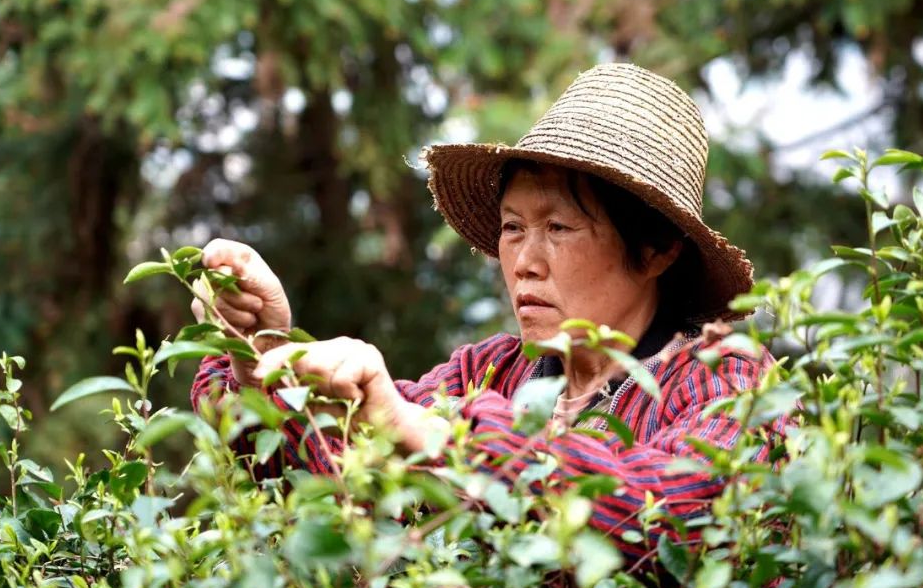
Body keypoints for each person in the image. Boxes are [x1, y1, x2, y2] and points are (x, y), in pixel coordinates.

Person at [190, 63, 788, 560]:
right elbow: (331, 475)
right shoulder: (489, 373)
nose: (525, 262)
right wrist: (259, 349)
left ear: (657, 250)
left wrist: (428, 434)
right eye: (512, 228)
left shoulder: (731, 383)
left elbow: (678, 517)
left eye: (559, 227)